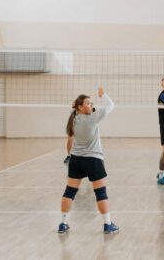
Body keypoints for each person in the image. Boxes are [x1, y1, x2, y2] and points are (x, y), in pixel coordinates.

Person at [58, 86, 120, 235]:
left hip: (76, 160)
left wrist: (80, 105)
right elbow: (111, 105)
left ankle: (63, 224)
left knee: (70, 191)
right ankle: (107, 225)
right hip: (93, 160)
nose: (92, 105)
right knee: (100, 192)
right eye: (88, 103)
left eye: (92, 103)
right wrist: (103, 95)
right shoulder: (93, 117)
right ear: (80, 106)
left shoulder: (73, 119)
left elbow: (80, 111)